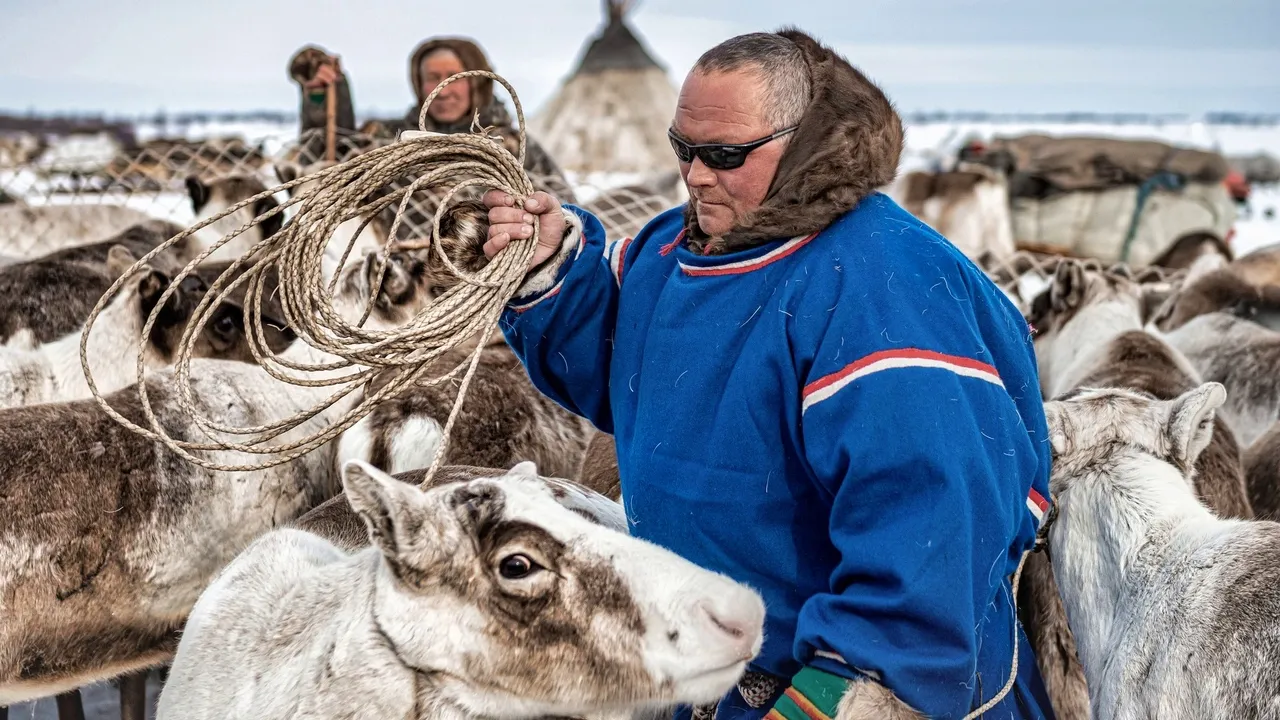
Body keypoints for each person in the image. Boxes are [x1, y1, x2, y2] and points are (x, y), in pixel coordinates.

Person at [479, 29, 1054, 720]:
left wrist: (832, 695)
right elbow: (635, 375)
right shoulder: (678, 250)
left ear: (804, 141)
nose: (694, 175)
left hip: (845, 689)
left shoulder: (884, 295)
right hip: (716, 671)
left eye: (723, 155)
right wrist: (554, 275)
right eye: (682, 149)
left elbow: (932, 548)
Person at [287, 37, 572, 198]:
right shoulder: (389, 139)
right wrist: (322, 95)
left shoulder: (515, 148)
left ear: (477, 81)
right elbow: (326, 162)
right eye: (432, 78)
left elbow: (566, 211)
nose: (443, 88)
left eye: (453, 77)